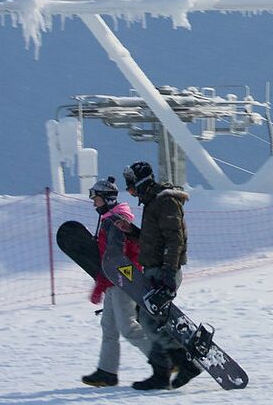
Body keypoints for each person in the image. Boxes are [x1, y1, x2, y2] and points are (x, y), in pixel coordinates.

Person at [120, 161, 202, 391]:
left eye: (131, 187)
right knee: (149, 318)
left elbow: (174, 239)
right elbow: (156, 239)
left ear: (141, 182)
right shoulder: (153, 202)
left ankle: (185, 363)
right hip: (155, 269)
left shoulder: (164, 202)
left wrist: (167, 273)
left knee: (149, 321)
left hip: (165, 270)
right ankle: (161, 373)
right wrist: (133, 232)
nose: (130, 192)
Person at [81, 176, 151, 387]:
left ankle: (163, 360)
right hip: (114, 281)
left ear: (108, 199)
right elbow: (108, 260)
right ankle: (107, 372)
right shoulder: (109, 220)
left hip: (123, 281)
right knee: (109, 327)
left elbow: (117, 259)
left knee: (127, 328)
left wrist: (102, 284)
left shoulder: (117, 222)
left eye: (97, 198)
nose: (94, 202)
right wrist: (102, 285)